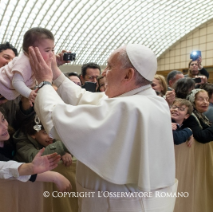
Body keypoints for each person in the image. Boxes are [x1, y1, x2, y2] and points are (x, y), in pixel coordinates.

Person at [29, 44, 177, 211]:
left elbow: (56, 119)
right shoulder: (149, 100)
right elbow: (86, 99)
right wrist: (56, 74)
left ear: (128, 75)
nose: (104, 72)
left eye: (110, 66)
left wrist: (44, 83)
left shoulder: (129, 108)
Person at [0, 106, 72, 191]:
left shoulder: (10, 134)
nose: (4, 126)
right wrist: (56, 177)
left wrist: (64, 152)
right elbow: (13, 170)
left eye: (3, 119)